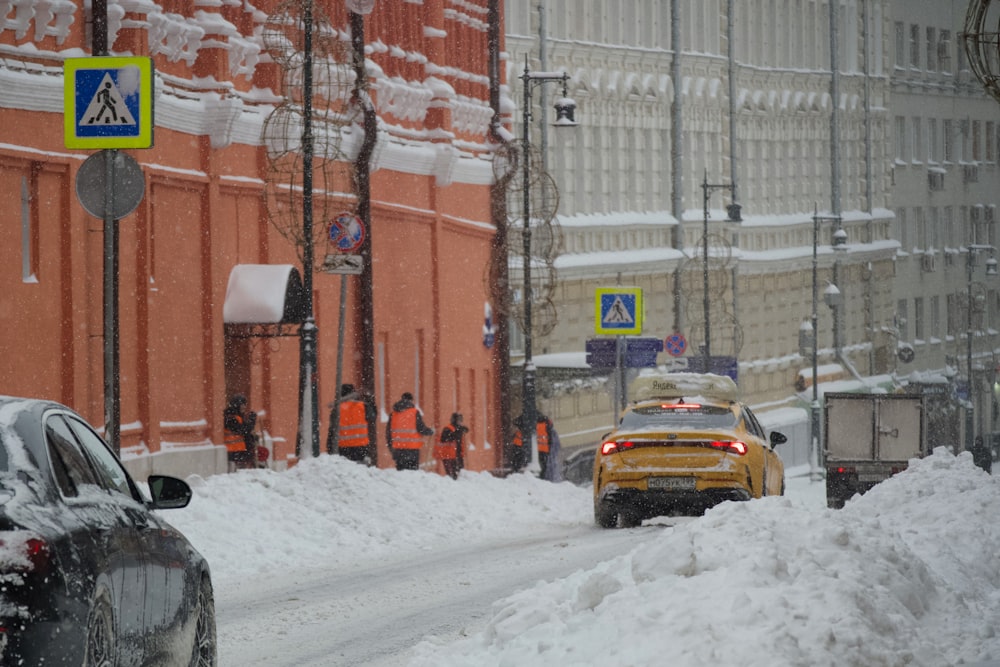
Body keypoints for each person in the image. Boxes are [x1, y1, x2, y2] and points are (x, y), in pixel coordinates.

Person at [326, 384, 375, 464]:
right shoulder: (363, 407)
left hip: (343, 449)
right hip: (361, 448)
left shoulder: (336, 409)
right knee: (361, 471)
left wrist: (330, 447)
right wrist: (370, 400)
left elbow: (332, 430)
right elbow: (373, 416)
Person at [386, 392, 434, 471]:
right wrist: (430, 431)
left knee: (401, 473)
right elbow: (421, 428)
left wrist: (390, 447)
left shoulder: (393, 414)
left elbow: (388, 432)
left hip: (398, 449)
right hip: (412, 449)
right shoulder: (414, 413)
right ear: (411, 401)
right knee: (412, 473)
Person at [510, 413, 562, 480]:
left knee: (520, 465)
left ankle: (518, 475)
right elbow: (551, 441)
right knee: (543, 469)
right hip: (544, 450)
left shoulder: (527, 423)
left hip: (523, 447)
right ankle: (542, 480)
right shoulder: (545, 425)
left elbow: (516, 422)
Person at [223, 395, 258, 471]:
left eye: (245, 405)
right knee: (236, 473)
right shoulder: (231, 417)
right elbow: (243, 430)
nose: (244, 407)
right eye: (242, 405)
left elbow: (245, 430)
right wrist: (252, 422)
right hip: (233, 450)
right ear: (237, 405)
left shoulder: (237, 416)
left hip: (238, 450)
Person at [435, 412, 468, 479]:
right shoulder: (448, 429)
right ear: (454, 420)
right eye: (459, 420)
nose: (460, 421)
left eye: (461, 420)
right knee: (452, 476)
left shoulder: (459, 429)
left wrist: (462, 430)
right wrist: (457, 432)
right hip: (449, 456)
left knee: (460, 475)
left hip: (458, 455)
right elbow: (444, 439)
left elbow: (465, 431)